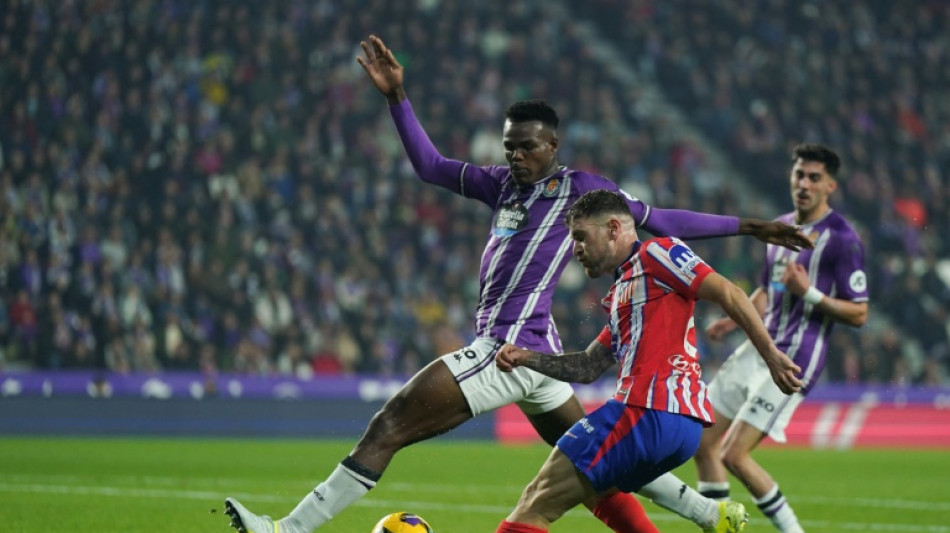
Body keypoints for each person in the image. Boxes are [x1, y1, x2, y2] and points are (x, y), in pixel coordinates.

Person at [224, 34, 811, 533]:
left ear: (552, 146)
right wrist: (397, 97)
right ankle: (709, 515)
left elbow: (661, 219)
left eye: (527, 147)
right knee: (594, 466)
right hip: (538, 353)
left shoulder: (582, 188)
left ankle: (285, 529)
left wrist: (748, 226)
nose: (516, 156)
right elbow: (430, 166)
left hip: (507, 346)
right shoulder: (500, 185)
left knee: (389, 426)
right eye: (509, 147)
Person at [492, 189, 803, 533]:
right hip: (678, 428)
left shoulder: (657, 253)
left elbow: (730, 293)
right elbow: (588, 366)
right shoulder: (622, 291)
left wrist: (771, 355)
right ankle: (708, 513)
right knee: (598, 491)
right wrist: (527, 357)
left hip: (648, 412)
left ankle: (708, 513)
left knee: (536, 501)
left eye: (580, 236)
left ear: (613, 229)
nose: (575, 248)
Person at [693, 144, 869, 533]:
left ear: (830, 186)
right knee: (702, 443)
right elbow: (767, 290)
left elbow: (859, 312)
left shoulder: (843, 239)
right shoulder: (780, 227)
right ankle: (722, 529)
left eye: (814, 178)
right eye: (799, 175)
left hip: (795, 357)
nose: (804, 184)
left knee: (734, 454)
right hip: (758, 347)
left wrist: (809, 293)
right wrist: (734, 321)